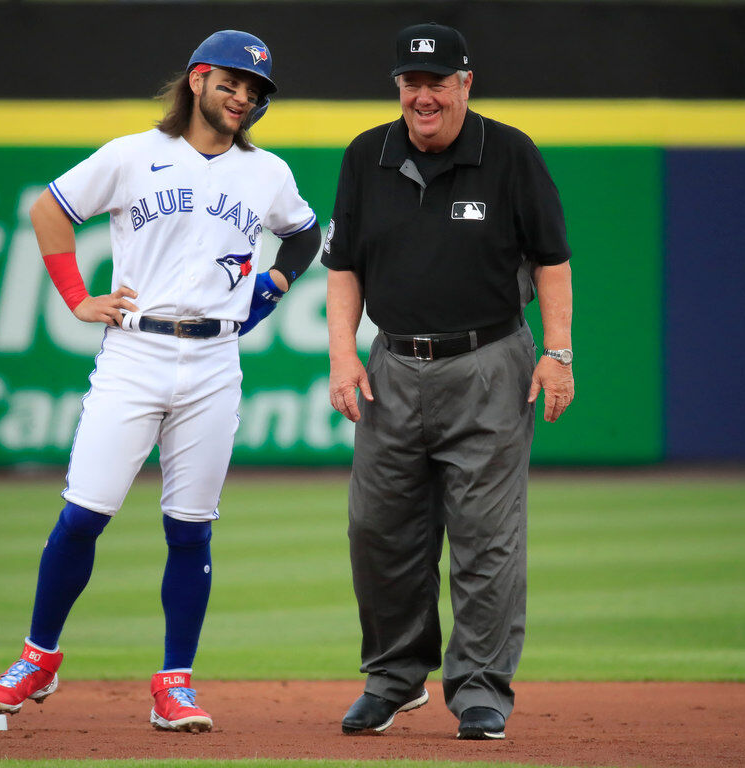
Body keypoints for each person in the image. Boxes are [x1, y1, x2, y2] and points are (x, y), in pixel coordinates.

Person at [0, 29, 320, 733]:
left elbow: (306, 234)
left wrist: (276, 283)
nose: (244, 99)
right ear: (197, 80)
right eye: (232, 83)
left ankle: (175, 684)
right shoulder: (133, 155)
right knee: (84, 513)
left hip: (216, 362)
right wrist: (76, 297)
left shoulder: (267, 173)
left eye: (255, 92)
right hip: (135, 356)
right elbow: (50, 211)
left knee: (190, 530)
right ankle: (38, 659)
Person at [323, 22, 575, 740]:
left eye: (437, 81)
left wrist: (558, 353)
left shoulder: (510, 153)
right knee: (378, 531)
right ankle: (395, 679)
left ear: (465, 82)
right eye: (411, 82)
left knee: (486, 538)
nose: (423, 95)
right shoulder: (366, 154)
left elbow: (552, 259)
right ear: (398, 86)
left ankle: (480, 689)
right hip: (392, 365)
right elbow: (344, 268)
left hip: (489, 362)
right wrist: (345, 355)